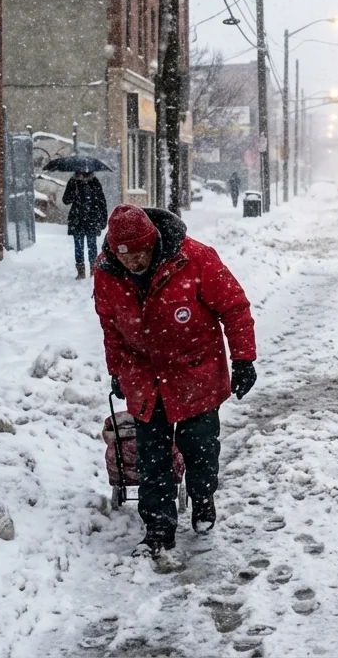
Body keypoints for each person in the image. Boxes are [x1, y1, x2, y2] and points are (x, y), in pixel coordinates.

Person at [93, 204, 258, 557]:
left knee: (200, 449)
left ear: (153, 242)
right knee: (153, 458)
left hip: (195, 370)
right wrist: (117, 369)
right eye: (126, 258)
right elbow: (111, 326)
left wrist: (243, 359)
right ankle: (159, 528)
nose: (134, 263)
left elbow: (234, 307)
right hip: (144, 375)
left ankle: (202, 499)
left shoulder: (195, 259)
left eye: (140, 255)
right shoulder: (107, 273)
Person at [62, 171, 108, 279]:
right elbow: (65, 200)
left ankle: (93, 270)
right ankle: (81, 271)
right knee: (79, 247)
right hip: (77, 219)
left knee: (92, 246)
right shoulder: (73, 182)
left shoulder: (95, 183)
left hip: (92, 219)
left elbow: (101, 201)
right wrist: (74, 193)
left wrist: (103, 220)